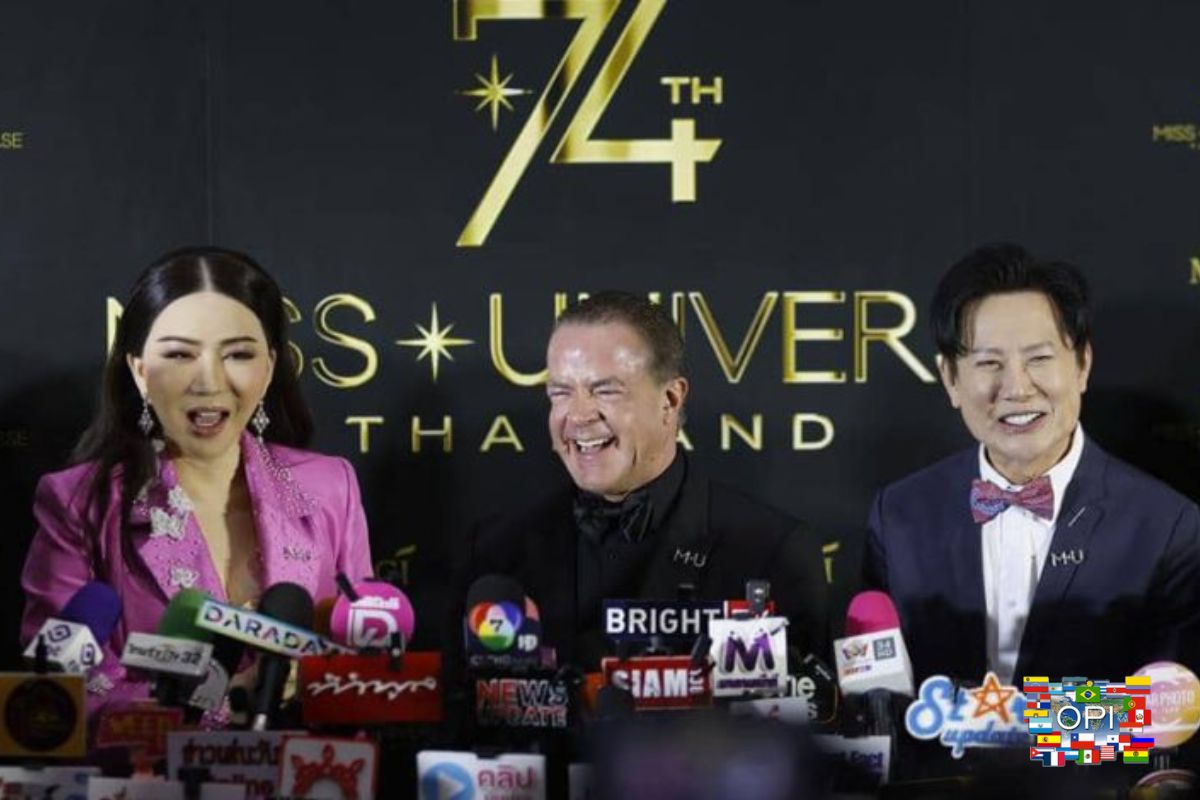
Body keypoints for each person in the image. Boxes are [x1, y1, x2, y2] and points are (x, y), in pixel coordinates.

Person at [20, 246, 373, 719]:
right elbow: (61, 697)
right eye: (180, 354)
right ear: (140, 371)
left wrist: (316, 682)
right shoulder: (79, 504)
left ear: (269, 368)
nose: (208, 382)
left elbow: (363, 664)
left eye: (239, 354)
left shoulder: (331, 487)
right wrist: (223, 701)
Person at [864, 243, 1200, 686]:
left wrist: (1029, 718)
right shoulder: (899, 514)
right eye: (989, 363)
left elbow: (1170, 712)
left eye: (1039, 359)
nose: (1017, 388)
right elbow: (876, 694)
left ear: (1082, 365)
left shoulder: (1166, 528)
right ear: (950, 379)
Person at [454, 291, 828, 671]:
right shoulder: (495, 551)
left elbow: (805, 705)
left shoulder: (769, 553)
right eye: (561, 393)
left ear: (670, 400)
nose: (578, 415)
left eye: (606, 391)